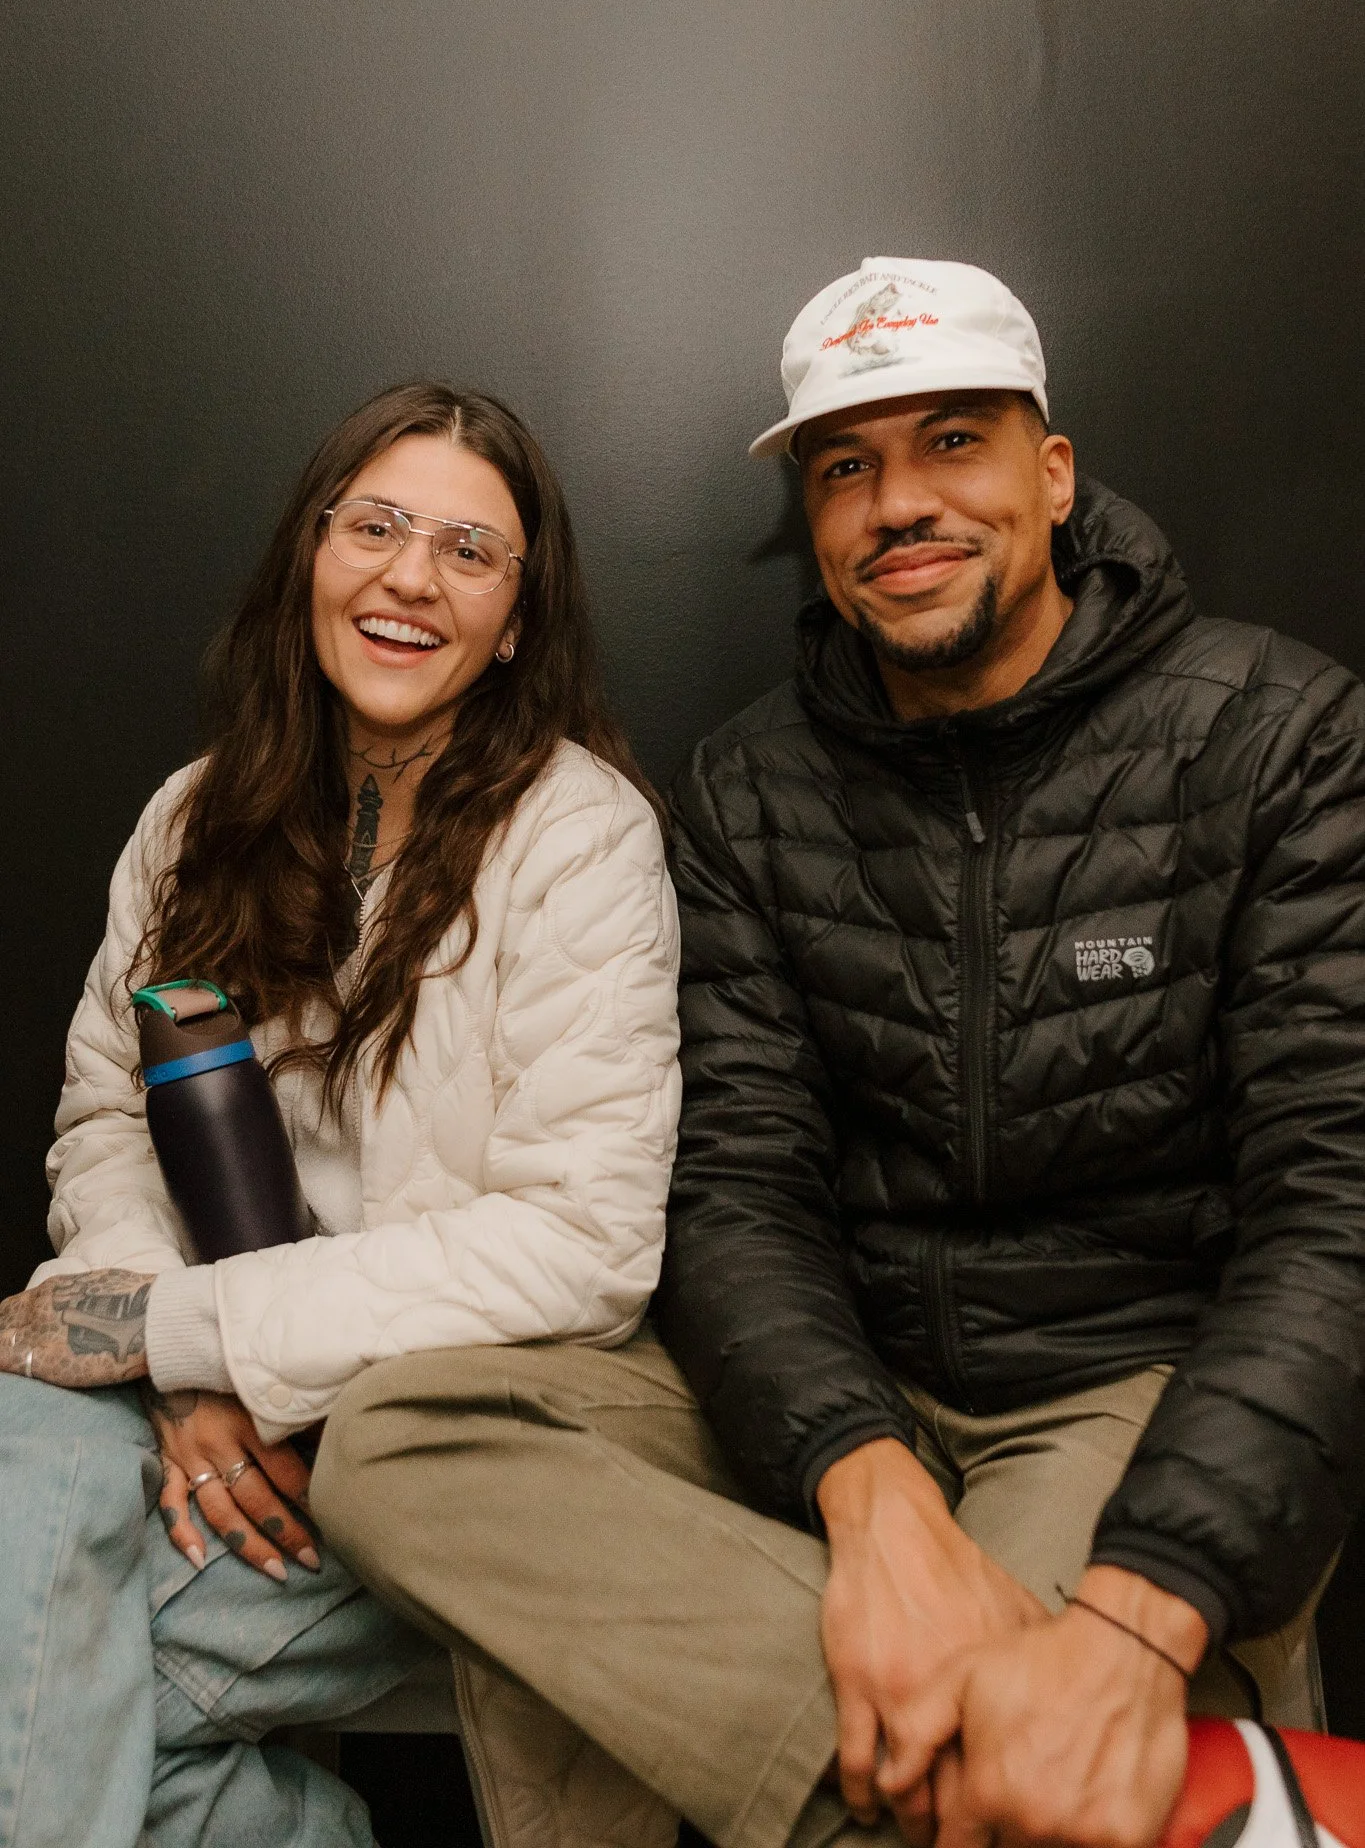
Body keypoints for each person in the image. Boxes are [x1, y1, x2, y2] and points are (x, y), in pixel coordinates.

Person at [312, 263, 1365, 1848]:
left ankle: (1004, 1751)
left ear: (1053, 475)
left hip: (1120, 1389)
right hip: (822, 1390)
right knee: (400, 1439)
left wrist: (1141, 1621)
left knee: (1067, 1663)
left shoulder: (1277, 731)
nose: (899, 504)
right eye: (846, 467)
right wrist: (869, 1501)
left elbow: (1339, 1211)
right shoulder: (747, 785)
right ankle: (1002, 1786)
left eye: (953, 442)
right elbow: (736, 1187)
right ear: (812, 516)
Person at [0, 381, 681, 1848]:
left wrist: (197, 1338)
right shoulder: (194, 816)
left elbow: (583, 1245)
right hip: (185, 1407)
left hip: (426, 1442)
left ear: (517, 618)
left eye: (468, 551)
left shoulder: (584, 837)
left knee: (50, 1685)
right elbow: (106, 1122)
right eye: (373, 526)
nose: (409, 578)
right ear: (310, 555)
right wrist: (176, 1371)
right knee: (17, 1440)